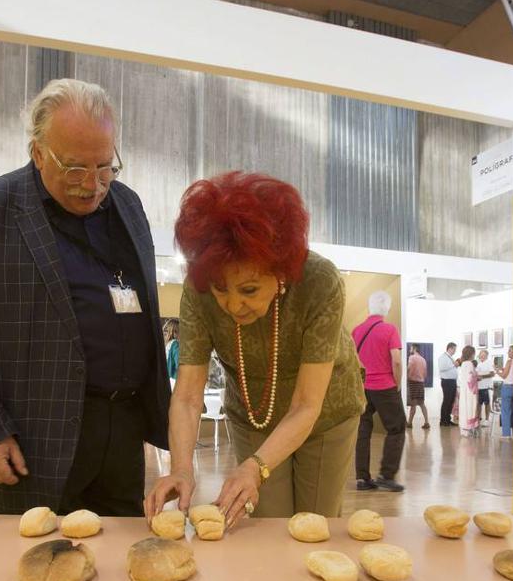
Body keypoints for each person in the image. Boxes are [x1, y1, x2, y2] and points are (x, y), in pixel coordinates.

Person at [0, 78, 170, 517]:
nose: (93, 185)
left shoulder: (128, 205)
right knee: (32, 569)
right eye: (75, 168)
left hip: (122, 433)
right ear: (38, 152)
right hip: (33, 440)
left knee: (117, 570)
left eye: (104, 167)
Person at [145, 172, 365, 529]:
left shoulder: (319, 281)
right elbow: (186, 396)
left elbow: (307, 405)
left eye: (248, 289)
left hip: (326, 413)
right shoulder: (198, 290)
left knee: (314, 522)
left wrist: (255, 466)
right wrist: (182, 470)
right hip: (253, 411)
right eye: (220, 288)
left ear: (280, 271)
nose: (232, 304)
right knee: (267, 524)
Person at [351, 291, 406, 493]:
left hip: (363, 387)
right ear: (387, 308)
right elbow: (397, 360)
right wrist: (397, 383)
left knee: (363, 431)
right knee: (397, 428)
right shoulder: (389, 329)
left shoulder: (357, 330)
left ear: (369, 307)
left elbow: (352, 360)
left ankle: (362, 478)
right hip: (384, 386)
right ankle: (386, 475)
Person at [456, 345, 480, 437]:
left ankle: (464, 429)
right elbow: (470, 378)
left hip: (464, 390)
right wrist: (477, 377)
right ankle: (469, 428)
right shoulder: (469, 364)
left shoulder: (463, 364)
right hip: (470, 391)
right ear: (471, 354)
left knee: (464, 408)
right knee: (470, 408)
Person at [406, 345, 429, 429]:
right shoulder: (423, 359)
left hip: (413, 383)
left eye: (411, 348)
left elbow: (409, 368)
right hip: (421, 383)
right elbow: (425, 374)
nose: (409, 349)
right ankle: (427, 422)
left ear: (415, 349)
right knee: (422, 404)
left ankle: (409, 423)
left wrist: (408, 376)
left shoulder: (412, 357)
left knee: (413, 404)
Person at [437, 342, 458, 426]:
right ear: (450, 348)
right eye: (454, 349)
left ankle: (448, 419)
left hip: (452, 381)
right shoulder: (443, 357)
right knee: (447, 400)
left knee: (451, 401)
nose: (455, 351)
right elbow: (442, 368)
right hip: (447, 382)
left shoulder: (450, 357)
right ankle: (443, 421)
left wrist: (454, 365)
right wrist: (454, 364)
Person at [497, 344, 513, 439]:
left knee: (505, 412)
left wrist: (497, 371)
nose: (508, 352)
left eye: (510, 351)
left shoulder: (509, 361)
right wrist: (502, 369)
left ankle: (506, 434)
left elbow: (504, 376)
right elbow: (511, 372)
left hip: (507, 388)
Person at [476, 348, 496, 422]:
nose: (482, 356)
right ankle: (478, 418)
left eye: (483, 355)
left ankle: (487, 419)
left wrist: (482, 377)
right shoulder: (479, 364)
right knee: (479, 403)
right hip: (479, 387)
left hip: (486, 387)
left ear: (487, 356)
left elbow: (492, 374)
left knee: (487, 403)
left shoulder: (489, 362)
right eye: (481, 355)